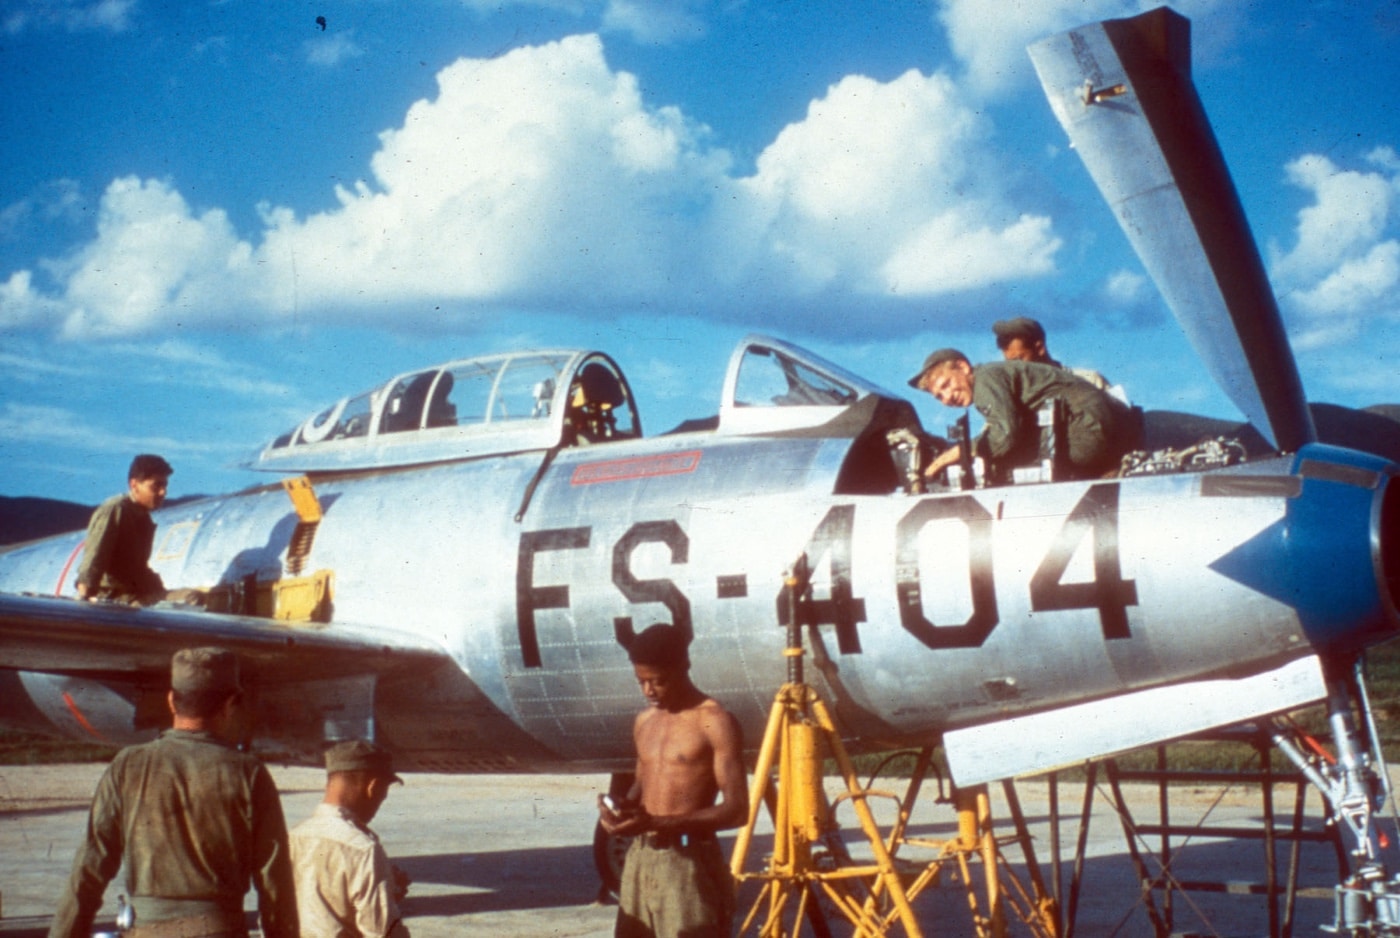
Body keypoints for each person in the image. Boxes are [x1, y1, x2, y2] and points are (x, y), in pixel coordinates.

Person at [50, 647, 297, 938]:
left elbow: (90, 868)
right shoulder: (249, 773)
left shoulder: (128, 765)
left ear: (171, 700)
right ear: (230, 705)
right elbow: (275, 882)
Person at [599, 624, 748, 938]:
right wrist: (618, 810)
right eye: (641, 681)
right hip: (639, 859)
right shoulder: (644, 722)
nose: (649, 691)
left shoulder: (715, 721)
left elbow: (737, 810)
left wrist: (659, 822)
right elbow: (641, 787)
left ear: (684, 667)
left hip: (688, 865)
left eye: (659, 681)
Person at [908, 348, 1137, 483]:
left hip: (1085, 425)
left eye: (946, 384)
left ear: (963, 367)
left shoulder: (985, 380)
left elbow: (1005, 436)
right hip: (1102, 424)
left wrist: (954, 455)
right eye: (939, 396)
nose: (947, 397)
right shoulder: (993, 378)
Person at [289, 740, 411, 938]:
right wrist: (384, 901)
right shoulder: (362, 849)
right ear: (373, 787)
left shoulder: (292, 837)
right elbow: (381, 932)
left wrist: (386, 894)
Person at [75, 453, 173, 605]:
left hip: (138, 594)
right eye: (156, 486)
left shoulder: (143, 517)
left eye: (165, 485)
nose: (163, 492)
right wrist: (84, 603)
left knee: (193, 598)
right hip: (116, 599)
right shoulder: (115, 510)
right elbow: (94, 559)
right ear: (134, 484)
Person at [992, 316, 1111, 391]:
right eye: (1009, 364)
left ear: (1040, 348)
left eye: (1018, 360)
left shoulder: (1090, 381)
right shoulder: (1011, 396)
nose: (1014, 369)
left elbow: (1125, 424)